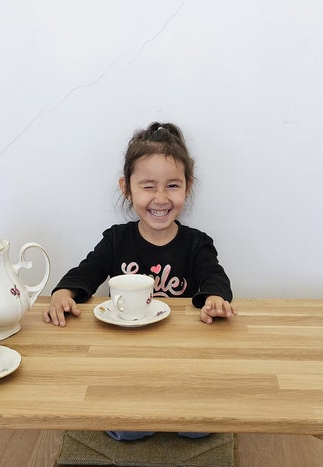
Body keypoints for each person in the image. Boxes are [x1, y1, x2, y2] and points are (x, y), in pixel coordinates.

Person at [43, 121, 236, 441]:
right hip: (125, 358)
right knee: (130, 429)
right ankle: (135, 408)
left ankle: (174, 405)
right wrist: (62, 293)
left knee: (198, 429)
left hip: (179, 357)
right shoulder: (116, 240)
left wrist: (215, 298)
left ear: (187, 186)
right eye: (148, 185)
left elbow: (214, 276)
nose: (160, 198)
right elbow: (86, 271)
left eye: (172, 186)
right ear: (126, 187)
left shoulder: (196, 243)